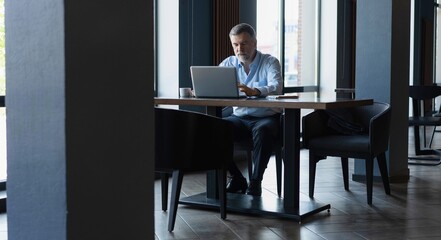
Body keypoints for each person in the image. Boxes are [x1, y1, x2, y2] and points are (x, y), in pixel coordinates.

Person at [220, 23, 283, 196]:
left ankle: (255, 182)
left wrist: (255, 91)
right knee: (215, 130)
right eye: (235, 44)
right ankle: (237, 177)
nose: (240, 48)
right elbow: (216, 85)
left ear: (255, 42)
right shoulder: (228, 63)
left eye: (244, 43)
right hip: (239, 118)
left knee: (263, 130)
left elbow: (276, 87)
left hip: (266, 118)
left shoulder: (270, 62)